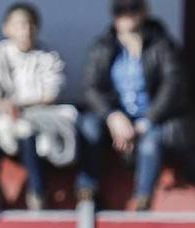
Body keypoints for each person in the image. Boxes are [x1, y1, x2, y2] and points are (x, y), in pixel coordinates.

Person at [77, 0, 194, 211]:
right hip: (115, 118)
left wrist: (146, 121)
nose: (126, 16)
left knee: (151, 141)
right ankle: (87, 189)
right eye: (120, 11)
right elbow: (91, 86)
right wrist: (112, 116)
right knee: (88, 127)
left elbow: (173, 86)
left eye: (132, 9)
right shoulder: (102, 46)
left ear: (144, 12)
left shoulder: (162, 44)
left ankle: (143, 198)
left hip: (151, 116)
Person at [0, 3, 71, 211]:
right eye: (20, 24)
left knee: (28, 132)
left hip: (36, 117)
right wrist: (4, 106)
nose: (26, 30)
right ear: (7, 28)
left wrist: (20, 106)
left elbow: (51, 92)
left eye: (31, 24)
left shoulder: (47, 54)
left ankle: (38, 192)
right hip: (1, 117)